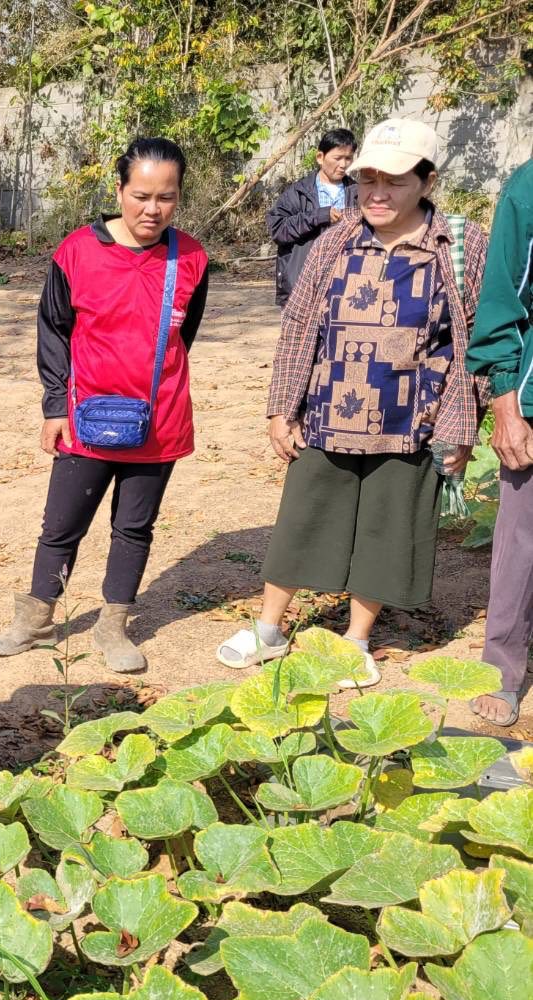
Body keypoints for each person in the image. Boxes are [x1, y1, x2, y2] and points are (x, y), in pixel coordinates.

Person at [217, 119, 487, 688]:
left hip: (414, 417)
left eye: (393, 181)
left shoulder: (459, 246)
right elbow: (299, 328)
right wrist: (280, 408)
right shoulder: (336, 240)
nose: (377, 193)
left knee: (388, 529)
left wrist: (461, 426)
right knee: (303, 517)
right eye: (367, 180)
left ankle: (355, 639)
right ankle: (269, 629)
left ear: (427, 181)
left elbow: (476, 344)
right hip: (329, 410)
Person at [0, 137, 210, 673]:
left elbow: (184, 336)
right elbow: (54, 331)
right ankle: (36, 617)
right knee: (61, 525)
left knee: (134, 527)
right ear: (119, 190)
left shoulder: (194, 259)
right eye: (140, 196)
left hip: (158, 422)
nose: (151, 210)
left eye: (166, 197)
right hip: (86, 419)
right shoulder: (76, 252)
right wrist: (54, 405)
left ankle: (113, 626)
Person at [467, 157, 533, 726]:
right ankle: (503, 670)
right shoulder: (529, 186)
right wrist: (506, 402)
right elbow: (502, 299)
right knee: (521, 542)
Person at [268, 129, 359, 308]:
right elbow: (278, 230)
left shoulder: (358, 192)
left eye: (348, 158)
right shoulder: (297, 193)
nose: (343, 164)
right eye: (337, 158)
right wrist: (318, 216)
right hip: (303, 282)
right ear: (320, 157)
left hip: (346, 284)